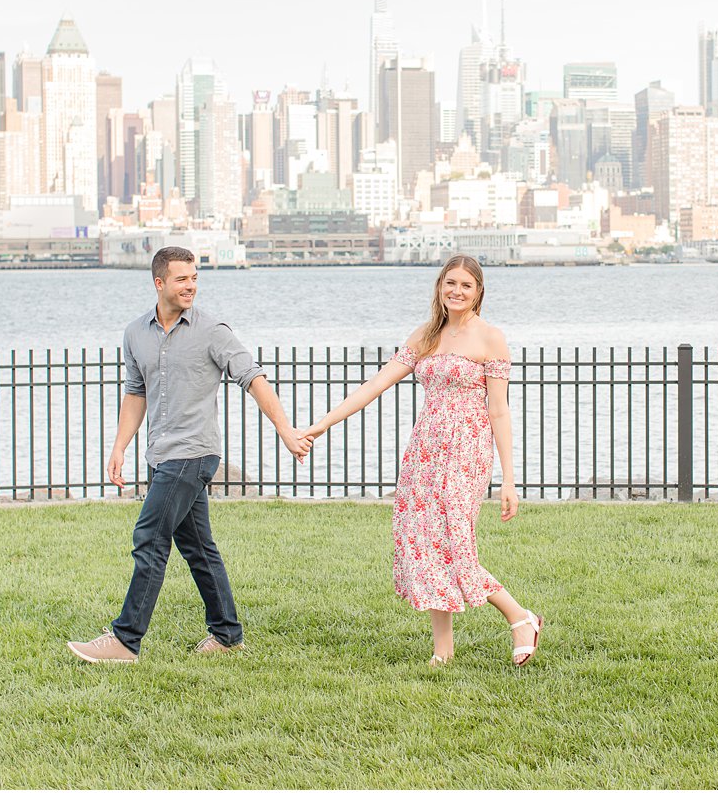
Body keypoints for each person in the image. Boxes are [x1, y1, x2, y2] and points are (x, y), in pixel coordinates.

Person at [68, 246, 310, 663]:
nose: (191, 285)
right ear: (159, 283)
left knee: (149, 537)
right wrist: (120, 445)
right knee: (199, 548)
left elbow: (253, 378)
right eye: (182, 279)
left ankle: (125, 640)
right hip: (160, 454)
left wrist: (285, 430)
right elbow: (136, 392)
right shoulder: (135, 333)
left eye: (194, 277)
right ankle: (228, 634)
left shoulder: (212, 330)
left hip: (194, 453)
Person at [305, 254, 542, 667]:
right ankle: (442, 651)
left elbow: (499, 410)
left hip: (467, 451)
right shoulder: (425, 336)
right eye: (450, 283)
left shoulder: (490, 338)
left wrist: (508, 478)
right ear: (439, 287)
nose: (457, 291)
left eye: (466, 285)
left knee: (456, 545)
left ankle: (520, 617)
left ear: (478, 292)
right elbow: (375, 384)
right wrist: (323, 424)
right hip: (425, 451)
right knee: (424, 543)